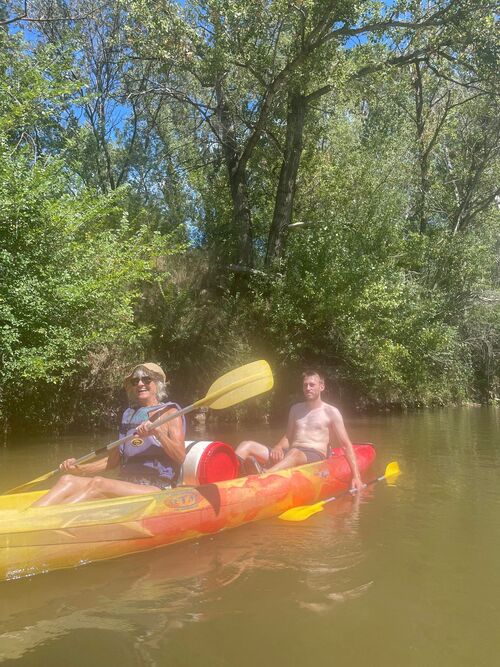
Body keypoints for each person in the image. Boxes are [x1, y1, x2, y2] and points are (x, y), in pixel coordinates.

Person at [32, 363, 185, 507]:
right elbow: (113, 461)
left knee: (98, 483)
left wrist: (158, 433)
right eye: (135, 381)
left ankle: (51, 519)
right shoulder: (129, 415)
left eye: (146, 379)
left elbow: (180, 456)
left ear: (157, 384)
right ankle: (28, 517)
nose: (140, 384)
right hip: (127, 483)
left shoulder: (170, 413)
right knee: (67, 480)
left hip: (157, 487)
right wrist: (80, 469)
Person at [235, 371, 365, 491]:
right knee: (246, 445)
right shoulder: (295, 409)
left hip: (314, 455)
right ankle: (227, 480)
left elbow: (345, 444)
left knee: (295, 453)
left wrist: (357, 477)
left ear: (322, 387)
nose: (308, 388)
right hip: (290, 453)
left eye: (312, 385)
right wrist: (278, 447)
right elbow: (288, 437)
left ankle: (263, 476)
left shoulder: (331, 412)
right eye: (305, 385)